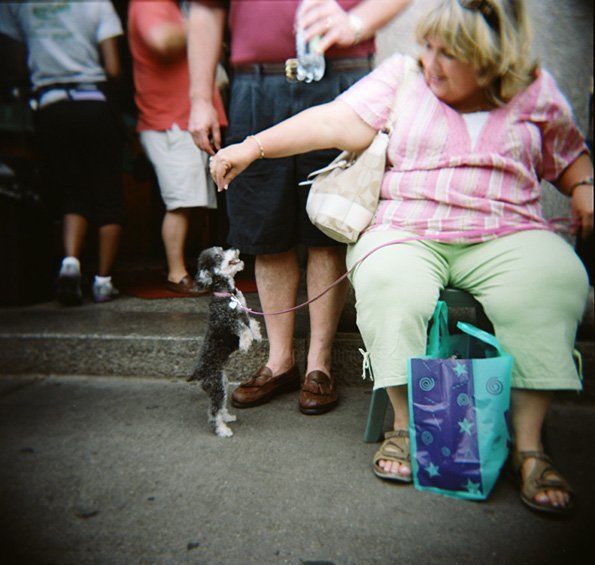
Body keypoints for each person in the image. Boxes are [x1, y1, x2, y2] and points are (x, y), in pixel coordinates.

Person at [209, 0, 594, 515]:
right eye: (427, 47)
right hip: (408, 229)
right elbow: (332, 120)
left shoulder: (533, 89)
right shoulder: (403, 77)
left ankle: (530, 448)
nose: (430, 63)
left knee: (553, 277)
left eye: (449, 54)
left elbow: (569, 156)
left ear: (493, 58)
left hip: (507, 231)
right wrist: (250, 147)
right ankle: (404, 428)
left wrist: (585, 187)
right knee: (389, 280)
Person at [188, 0, 412, 415]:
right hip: (255, 84)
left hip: (343, 81)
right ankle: (280, 361)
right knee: (264, 230)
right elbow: (206, 10)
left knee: (331, 222)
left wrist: (357, 21)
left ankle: (319, 364)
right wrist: (200, 96)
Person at [0, 1, 126, 305]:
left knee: (73, 191)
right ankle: (103, 282)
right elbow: (113, 67)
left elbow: (15, 62)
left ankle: (70, 263)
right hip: (93, 102)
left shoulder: (21, 6)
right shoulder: (98, 4)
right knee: (107, 191)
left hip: (51, 106)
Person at [128, 0, 226, 294]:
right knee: (181, 203)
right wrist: (203, 25)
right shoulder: (149, 4)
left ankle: (191, 269)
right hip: (169, 120)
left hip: (183, 119)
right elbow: (163, 40)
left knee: (194, 202)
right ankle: (176, 274)